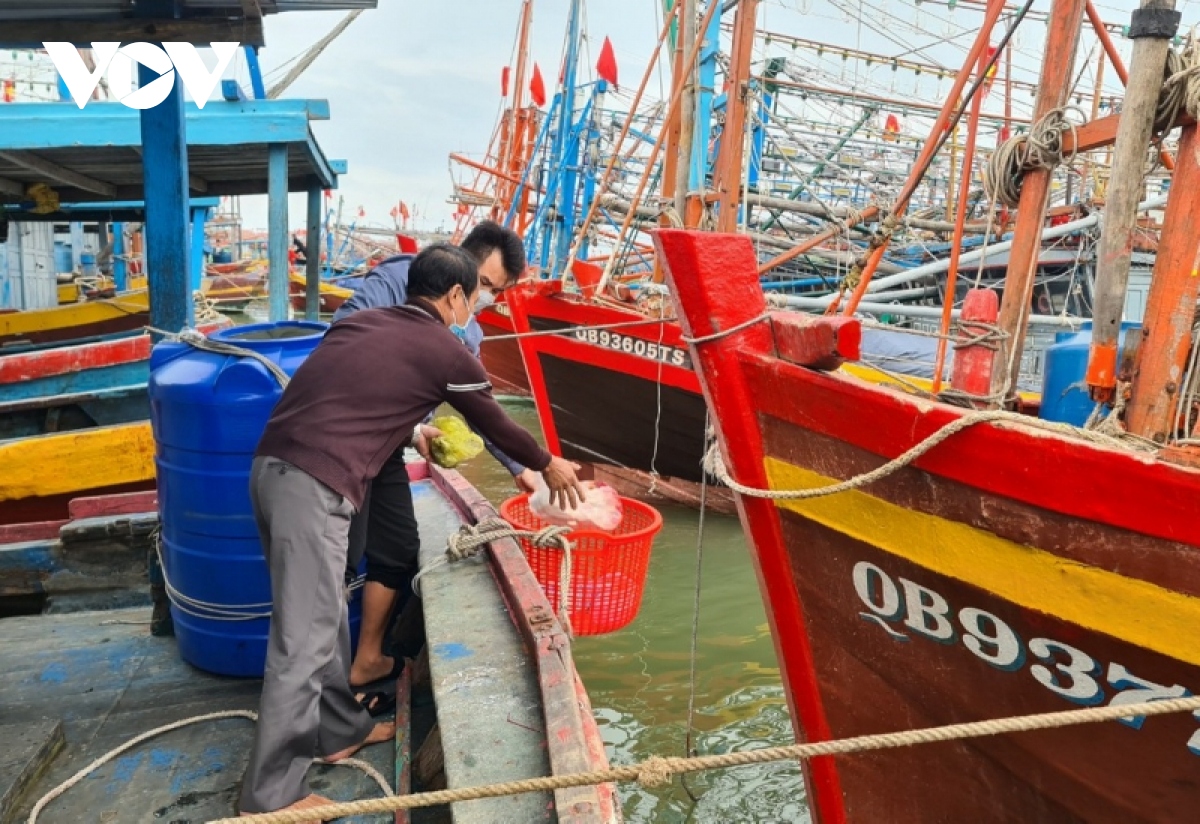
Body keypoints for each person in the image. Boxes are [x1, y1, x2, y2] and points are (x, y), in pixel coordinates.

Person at [239, 243, 584, 818]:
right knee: (301, 642)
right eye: (476, 297)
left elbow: (350, 402)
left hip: (271, 472)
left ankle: (338, 728)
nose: (477, 307)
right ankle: (271, 799)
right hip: (315, 489)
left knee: (321, 617)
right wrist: (547, 463)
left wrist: (412, 432)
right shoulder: (445, 351)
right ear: (454, 296)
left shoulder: (363, 324)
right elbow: (494, 422)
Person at [333, 221, 532, 690]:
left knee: (398, 548)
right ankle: (327, 696)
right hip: (346, 442)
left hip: (387, 449)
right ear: (458, 266)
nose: (485, 298)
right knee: (339, 560)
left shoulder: (471, 334)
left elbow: (483, 409)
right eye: (484, 285)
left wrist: (524, 469)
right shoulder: (395, 280)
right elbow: (346, 337)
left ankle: (366, 660)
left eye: (495, 292)